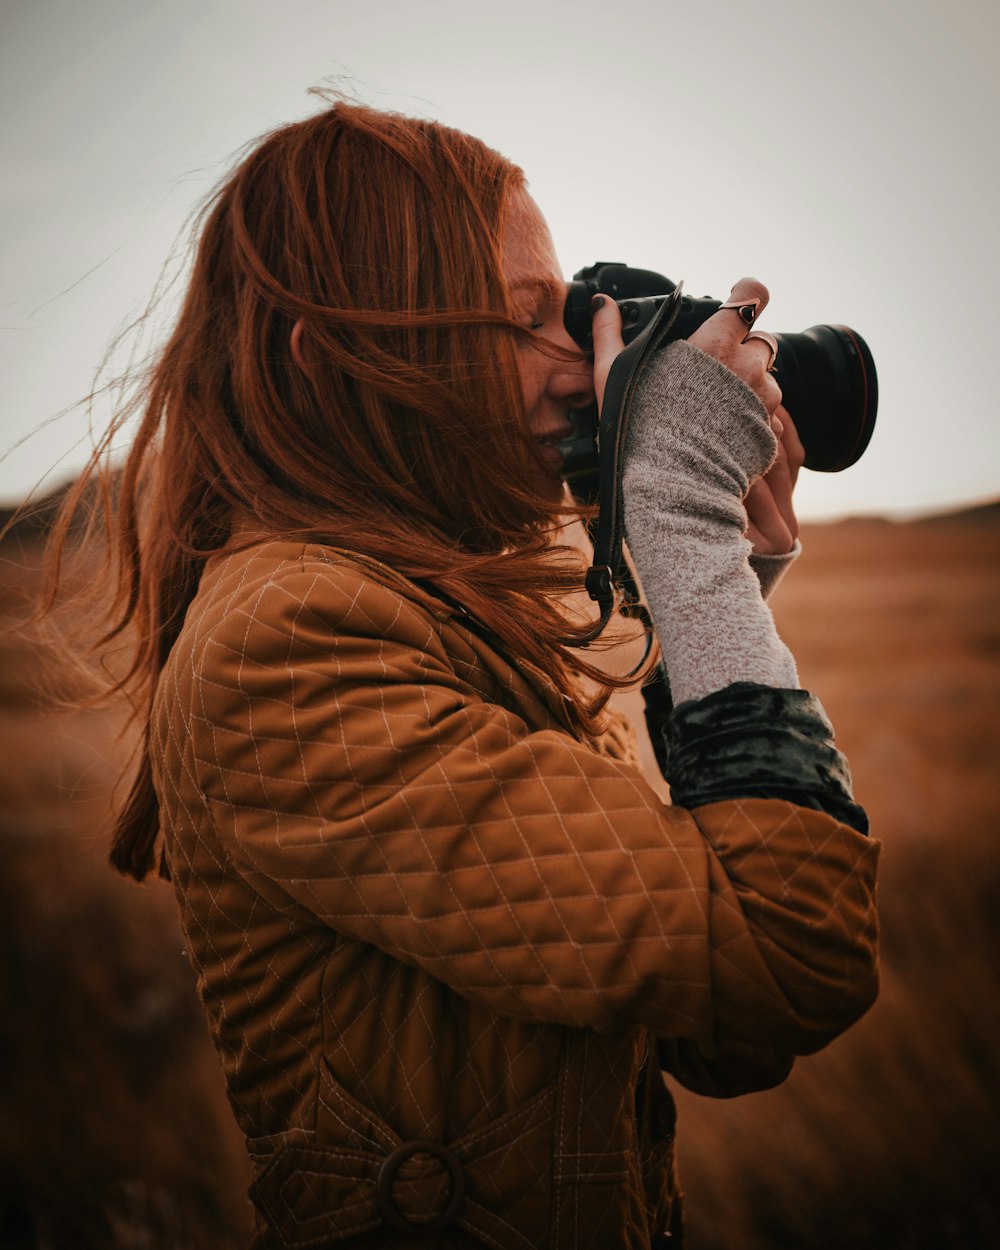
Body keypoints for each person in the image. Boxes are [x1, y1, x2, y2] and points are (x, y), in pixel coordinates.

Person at [44, 102, 879, 1248]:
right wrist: (678, 521)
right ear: (338, 363)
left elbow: (718, 1032)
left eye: (572, 313)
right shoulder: (291, 645)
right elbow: (791, 952)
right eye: (524, 320)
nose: (575, 372)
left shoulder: (428, 612)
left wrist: (721, 579)